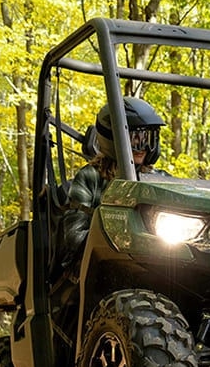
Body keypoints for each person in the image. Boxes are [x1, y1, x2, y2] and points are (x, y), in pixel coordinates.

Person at [57, 95, 167, 277]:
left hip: (153, 266)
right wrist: (120, 238)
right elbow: (74, 236)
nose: (142, 145)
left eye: (147, 137)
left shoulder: (160, 180)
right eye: (134, 137)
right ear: (113, 138)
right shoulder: (90, 177)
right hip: (95, 268)